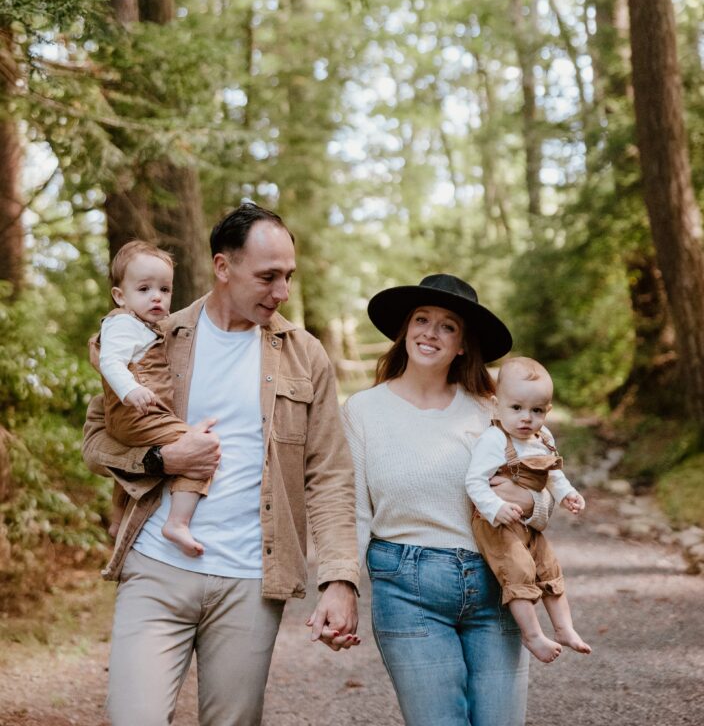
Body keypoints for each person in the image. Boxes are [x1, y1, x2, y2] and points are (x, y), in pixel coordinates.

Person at [82, 203, 360, 726]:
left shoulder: (306, 356)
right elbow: (96, 439)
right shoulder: (153, 335)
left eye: (289, 277)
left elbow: (330, 476)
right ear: (223, 266)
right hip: (156, 568)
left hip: (251, 581)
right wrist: (163, 457)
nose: (282, 293)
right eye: (268, 277)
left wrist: (339, 581)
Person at [343, 273, 553, 726]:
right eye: (421, 319)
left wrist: (529, 501)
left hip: (496, 583)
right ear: (404, 332)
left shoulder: (496, 410)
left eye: (447, 325)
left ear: (462, 344)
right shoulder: (363, 411)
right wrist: (340, 585)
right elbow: (354, 510)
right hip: (406, 587)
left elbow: (548, 492)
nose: (430, 332)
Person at [465, 355, 591, 663]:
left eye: (536, 411)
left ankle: (564, 628)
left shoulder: (543, 438)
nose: (526, 418)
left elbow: (554, 474)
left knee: (548, 567)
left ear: (547, 411)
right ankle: (532, 635)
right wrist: (495, 508)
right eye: (517, 408)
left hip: (528, 524)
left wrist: (567, 494)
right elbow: (475, 482)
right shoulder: (494, 439)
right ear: (497, 406)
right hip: (496, 524)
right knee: (518, 571)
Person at [90, 240, 209, 556]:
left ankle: (117, 521)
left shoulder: (147, 327)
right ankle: (178, 522)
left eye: (164, 289)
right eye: (144, 289)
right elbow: (109, 362)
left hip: (134, 417)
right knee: (200, 449)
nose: (156, 296)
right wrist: (132, 390)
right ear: (120, 296)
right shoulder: (122, 323)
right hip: (135, 413)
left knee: (134, 459)